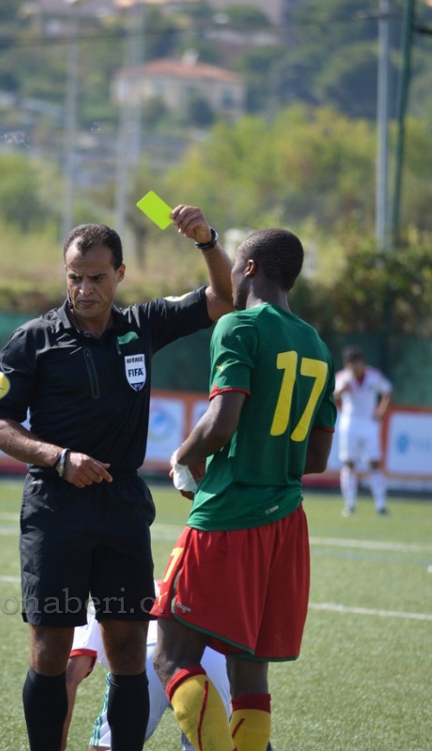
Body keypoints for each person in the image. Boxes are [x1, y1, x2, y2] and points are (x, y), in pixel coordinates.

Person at [0, 205, 234, 751]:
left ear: (120, 274)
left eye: (97, 278)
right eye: (74, 278)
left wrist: (207, 242)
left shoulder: (143, 325)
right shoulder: (32, 340)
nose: (84, 289)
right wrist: (56, 457)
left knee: (126, 650)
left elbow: (224, 299)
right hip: (54, 506)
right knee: (51, 649)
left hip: (121, 505)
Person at [150, 227, 337, 751]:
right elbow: (317, 459)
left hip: (230, 517)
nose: (230, 273)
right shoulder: (317, 343)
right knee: (249, 679)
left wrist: (184, 454)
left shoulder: (237, 325)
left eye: (235, 263)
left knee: (172, 656)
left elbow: (222, 421)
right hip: (286, 525)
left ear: (250, 268)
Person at [61, 592, 239, 751]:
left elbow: (71, 677)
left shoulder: (98, 603)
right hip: (210, 657)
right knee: (209, 745)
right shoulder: (163, 586)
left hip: (148, 658)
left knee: (106, 747)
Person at [334, 345, 392, 516]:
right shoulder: (343, 378)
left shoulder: (374, 376)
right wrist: (343, 389)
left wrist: (381, 411)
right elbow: (333, 396)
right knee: (349, 463)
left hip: (369, 424)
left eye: (357, 363)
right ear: (347, 364)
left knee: (374, 463)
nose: (355, 367)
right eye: (351, 364)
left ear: (362, 362)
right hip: (349, 423)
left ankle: (380, 505)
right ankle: (349, 504)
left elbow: (387, 391)